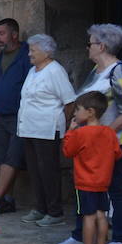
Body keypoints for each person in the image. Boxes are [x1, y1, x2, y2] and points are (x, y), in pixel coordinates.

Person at [56, 24, 122, 244]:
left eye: (90, 43)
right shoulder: (96, 70)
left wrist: (101, 136)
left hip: (119, 142)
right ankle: (80, 234)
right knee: (86, 189)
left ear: (101, 46)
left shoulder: (121, 72)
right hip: (95, 144)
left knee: (117, 190)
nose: (88, 47)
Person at [17, 33, 76, 227]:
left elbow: (69, 102)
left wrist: (64, 124)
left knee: (48, 170)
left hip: (47, 129)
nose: (29, 54)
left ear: (46, 51)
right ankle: (40, 207)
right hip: (29, 128)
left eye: (33, 50)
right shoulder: (33, 70)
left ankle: (55, 211)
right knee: (35, 170)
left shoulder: (55, 70)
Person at [62, 91, 121, 244]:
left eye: (78, 109)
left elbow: (67, 151)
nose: (75, 113)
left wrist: (70, 131)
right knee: (101, 216)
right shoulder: (109, 132)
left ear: (90, 111)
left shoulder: (81, 133)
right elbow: (118, 153)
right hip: (103, 182)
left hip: (85, 182)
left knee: (87, 217)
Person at [0, 18, 31, 214]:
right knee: (0, 157)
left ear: (14, 34)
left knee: (12, 158)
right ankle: (8, 199)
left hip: (18, 116)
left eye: (2, 33)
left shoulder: (27, 56)